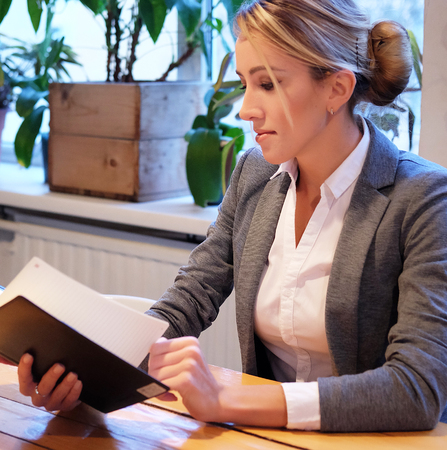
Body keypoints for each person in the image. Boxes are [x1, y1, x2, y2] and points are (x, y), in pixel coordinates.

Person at [4, 0, 447, 432]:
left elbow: (415, 389)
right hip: (264, 437)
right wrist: (88, 374)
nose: (246, 109)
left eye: (268, 84)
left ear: (337, 88)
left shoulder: (423, 198)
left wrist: (228, 400)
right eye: (245, 83)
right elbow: (189, 299)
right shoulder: (256, 174)